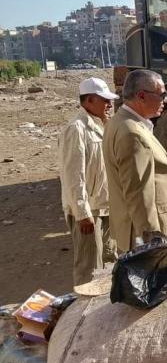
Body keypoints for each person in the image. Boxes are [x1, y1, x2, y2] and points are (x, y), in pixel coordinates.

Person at [103, 70, 167, 252]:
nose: (165, 101)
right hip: (155, 237)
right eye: (162, 95)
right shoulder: (132, 134)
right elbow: (139, 195)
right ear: (141, 96)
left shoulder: (119, 122)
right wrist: (151, 245)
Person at [58, 77, 119, 286]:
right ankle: (84, 313)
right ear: (90, 101)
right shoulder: (76, 129)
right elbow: (73, 175)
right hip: (88, 213)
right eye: (105, 100)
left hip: (106, 207)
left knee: (110, 261)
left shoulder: (103, 125)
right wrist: (82, 214)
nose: (110, 105)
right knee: (90, 268)